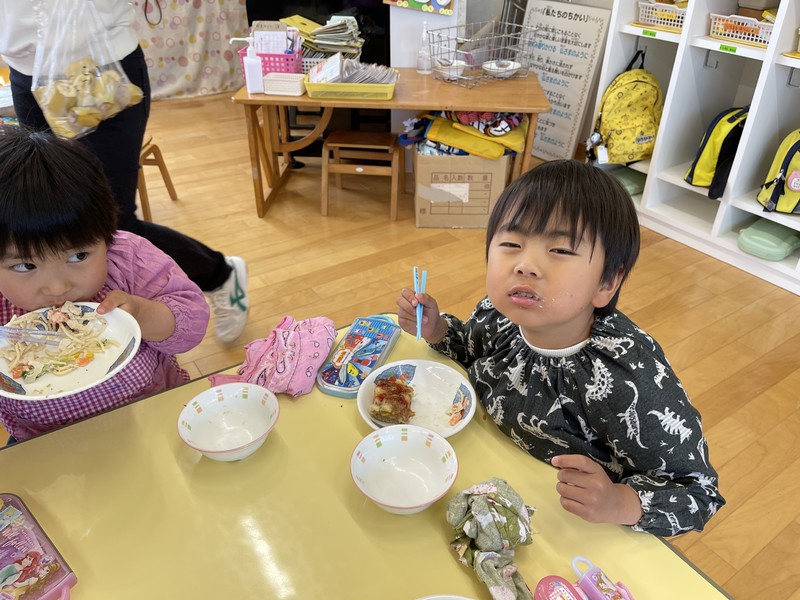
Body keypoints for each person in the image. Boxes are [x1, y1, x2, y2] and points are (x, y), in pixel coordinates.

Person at [396, 160, 725, 537]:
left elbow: (699, 493)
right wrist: (437, 328)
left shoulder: (628, 377)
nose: (526, 265)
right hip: (477, 470)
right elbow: (471, 347)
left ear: (607, 283)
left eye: (561, 250)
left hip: (566, 525)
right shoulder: (500, 313)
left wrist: (618, 502)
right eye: (511, 244)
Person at [0, 0, 248, 343]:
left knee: (111, 224)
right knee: (33, 222)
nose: (55, 288)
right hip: (28, 71)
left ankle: (219, 273)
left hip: (104, 67)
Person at [0, 126, 210, 443]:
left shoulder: (128, 259)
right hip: (45, 439)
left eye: (78, 256)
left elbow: (192, 325)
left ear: (106, 237)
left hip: (152, 410)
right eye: (25, 265)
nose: (57, 288)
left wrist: (141, 313)